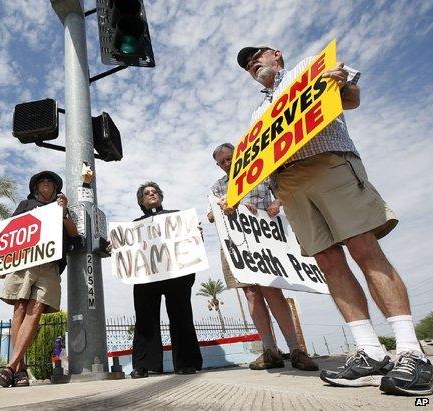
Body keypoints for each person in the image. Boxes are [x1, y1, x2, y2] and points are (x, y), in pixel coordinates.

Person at [232, 44, 432, 395]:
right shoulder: (258, 114)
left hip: (328, 162)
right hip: (289, 185)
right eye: (246, 64)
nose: (250, 62)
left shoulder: (309, 68)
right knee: (328, 261)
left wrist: (341, 84)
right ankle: (370, 351)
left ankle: (411, 351)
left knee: (362, 247)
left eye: (256, 55)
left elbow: (352, 97)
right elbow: (259, 162)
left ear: (276, 54)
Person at [208, 143, 318, 372]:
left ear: (239, 155)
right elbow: (211, 215)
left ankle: (295, 349)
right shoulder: (218, 187)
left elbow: (282, 194)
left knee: (272, 289)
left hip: (266, 243)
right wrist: (222, 207)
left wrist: (275, 205)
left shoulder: (260, 172)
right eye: (222, 163)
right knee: (251, 294)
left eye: (230, 158)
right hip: (236, 245)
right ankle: (270, 350)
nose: (227, 164)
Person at [0, 171, 78, 388]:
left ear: (56, 188)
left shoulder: (62, 208)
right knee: (19, 310)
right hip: (23, 262)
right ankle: (19, 370)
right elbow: (10, 231)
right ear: (36, 187)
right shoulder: (25, 204)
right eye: (43, 181)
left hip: (49, 265)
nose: (47, 183)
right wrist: (2, 261)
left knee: (36, 309)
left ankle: (10, 367)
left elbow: (74, 234)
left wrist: (64, 212)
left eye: (51, 181)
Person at [128, 182, 203, 378]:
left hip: (176, 275)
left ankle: (186, 362)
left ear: (160, 196)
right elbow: (128, 250)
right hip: (147, 276)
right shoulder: (135, 225)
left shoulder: (176, 217)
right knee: (145, 318)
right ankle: (143, 365)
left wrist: (195, 233)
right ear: (141, 201)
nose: (151, 194)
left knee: (181, 315)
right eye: (146, 193)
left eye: (154, 192)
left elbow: (191, 240)